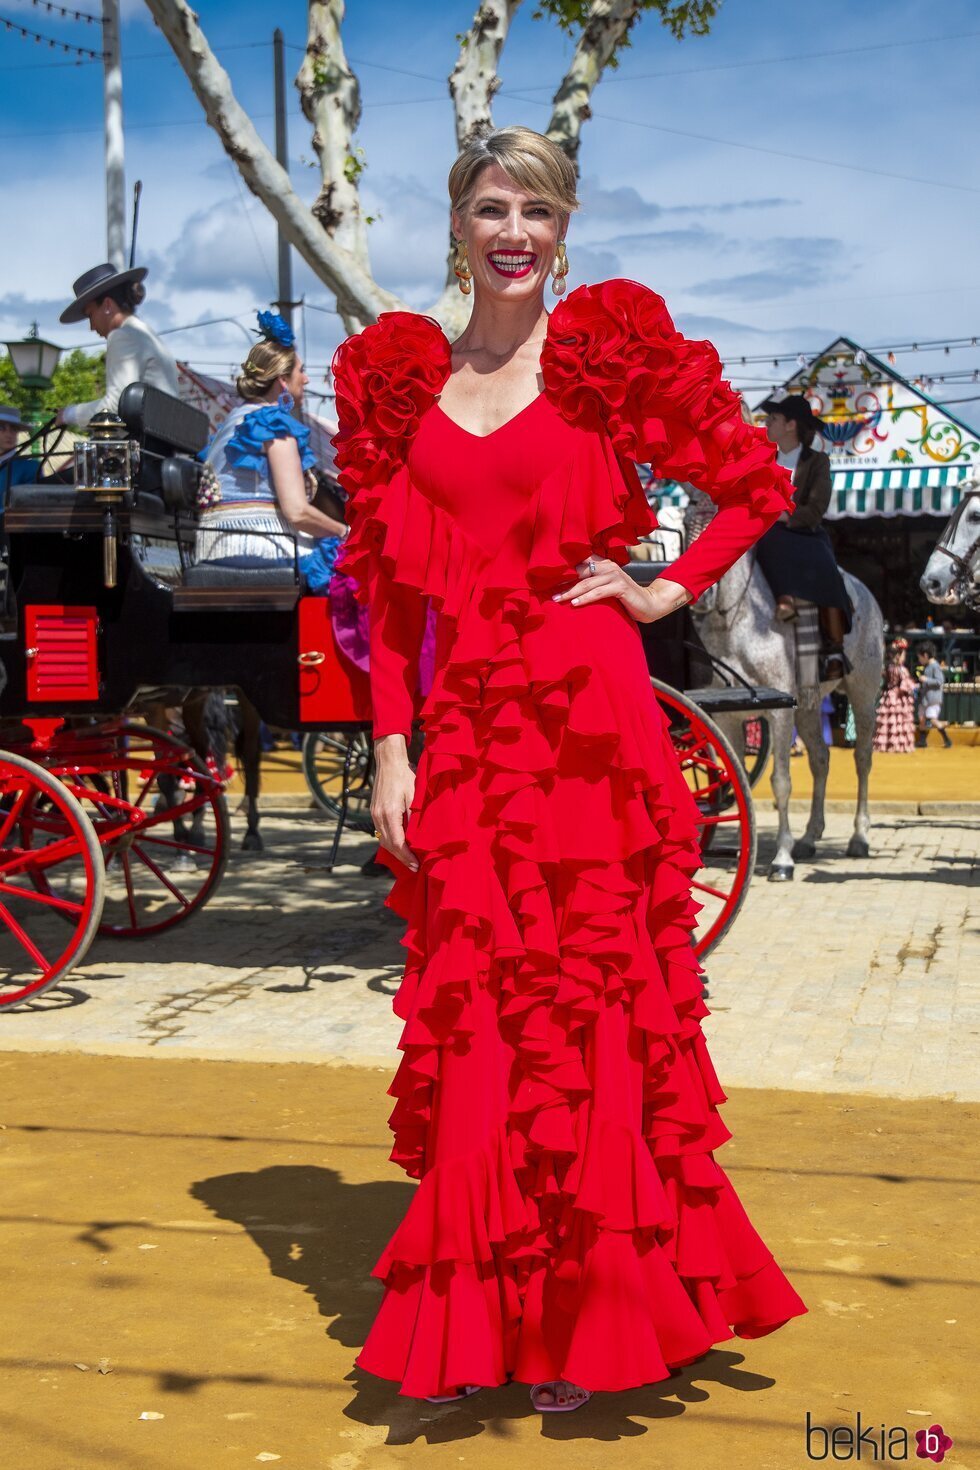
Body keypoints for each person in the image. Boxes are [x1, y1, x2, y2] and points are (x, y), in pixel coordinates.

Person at [331, 124, 807, 1413]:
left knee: (593, 1004)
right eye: (491, 206)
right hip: (471, 738)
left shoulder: (604, 359)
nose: (514, 231)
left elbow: (751, 488)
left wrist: (664, 590)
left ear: (564, 227)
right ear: (456, 224)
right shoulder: (395, 379)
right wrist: (388, 743)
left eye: (537, 210)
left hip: (592, 724)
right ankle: (482, 1312)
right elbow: (382, 591)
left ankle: (588, 1317)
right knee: (479, 1008)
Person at [194, 311, 347, 568]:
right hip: (259, 546)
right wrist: (345, 532)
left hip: (213, 548)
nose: (307, 379)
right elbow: (297, 512)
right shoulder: (271, 423)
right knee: (348, 575)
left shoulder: (233, 420)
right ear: (283, 381)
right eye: (302, 371)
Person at [754, 393, 852, 680]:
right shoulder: (763, 458)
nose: (767, 424)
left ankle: (835, 649)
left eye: (773, 419)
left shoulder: (818, 461)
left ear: (790, 425)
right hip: (766, 529)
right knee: (762, 544)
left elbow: (817, 508)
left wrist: (782, 515)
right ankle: (781, 600)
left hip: (805, 532)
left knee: (827, 567)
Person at [56, 261, 179, 428]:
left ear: (107, 305)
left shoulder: (122, 336)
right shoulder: (146, 335)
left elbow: (115, 407)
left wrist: (69, 414)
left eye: (90, 315)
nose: (91, 327)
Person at [873, 637, 917, 753]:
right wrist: (914, 687)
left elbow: (885, 681)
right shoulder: (901, 670)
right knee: (898, 720)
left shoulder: (888, 668)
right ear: (898, 655)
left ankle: (887, 744)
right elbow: (906, 684)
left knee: (888, 720)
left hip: (889, 694)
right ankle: (898, 745)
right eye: (903, 654)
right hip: (898, 697)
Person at [0, 404, 40, 509]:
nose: (9, 434)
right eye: (1, 428)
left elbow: (29, 507)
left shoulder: (31, 468)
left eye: (13, 429)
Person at [915, 640, 952, 748]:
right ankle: (922, 741)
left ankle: (946, 739)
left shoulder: (935, 666)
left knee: (932, 719)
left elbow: (939, 681)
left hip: (932, 699)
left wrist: (926, 680)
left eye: (919, 657)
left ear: (925, 655)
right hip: (925, 699)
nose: (919, 660)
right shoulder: (928, 666)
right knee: (921, 718)